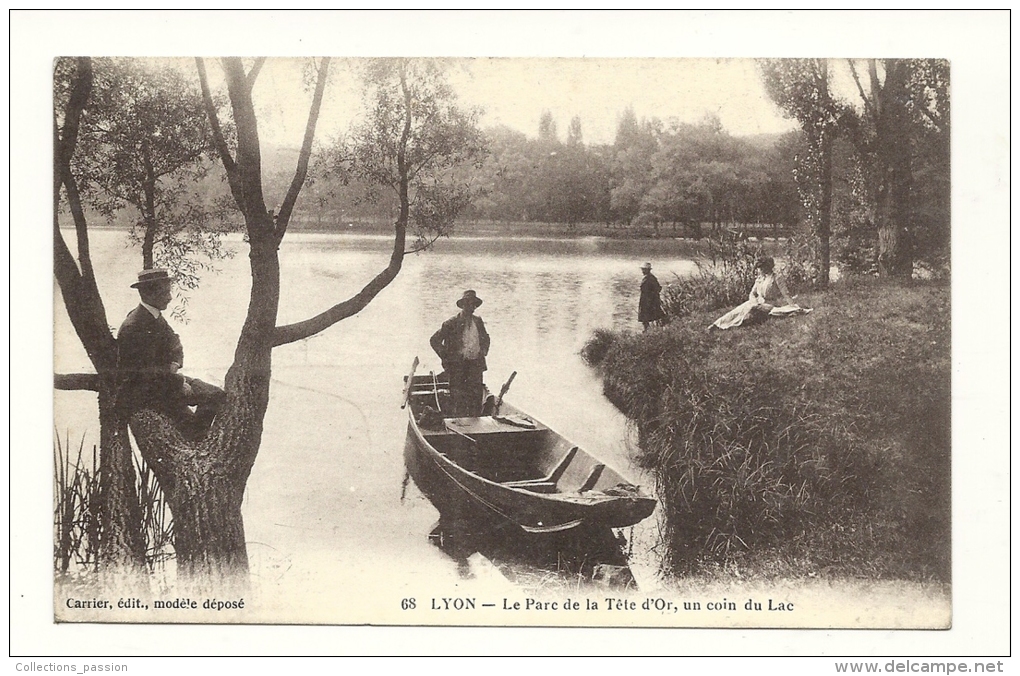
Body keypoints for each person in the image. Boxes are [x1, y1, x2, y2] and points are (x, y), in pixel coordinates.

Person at [116, 269, 225, 440]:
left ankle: (196, 436)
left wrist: (175, 365)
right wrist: (179, 382)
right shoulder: (134, 326)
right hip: (149, 391)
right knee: (211, 399)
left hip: (166, 379)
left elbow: (175, 343)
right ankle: (196, 438)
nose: (170, 297)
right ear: (147, 293)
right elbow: (141, 373)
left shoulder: (154, 316)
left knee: (215, 394)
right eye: (164, 292)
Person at [430, 290, 490, 417]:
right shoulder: (451, 323)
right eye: (468, 304)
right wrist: (447, 357)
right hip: (457, 367)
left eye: (474, 305)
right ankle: (457, 426)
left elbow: (486, 338)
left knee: (475, 398)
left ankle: (476, 427)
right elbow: (434, 340)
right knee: (458, 398)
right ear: (463, 305)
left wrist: (483, 351)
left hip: (475, 366)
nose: (471, 307)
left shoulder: (478, 321)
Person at [710, 256, 808, 330]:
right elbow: (752, 293)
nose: (759, 270)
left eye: (761, 267)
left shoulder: (777, 277)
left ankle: (730, 325)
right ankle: (717, 324)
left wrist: (793, 306)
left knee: (751, 310)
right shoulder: (760, 278)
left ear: (767, 267)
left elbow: (785, 293)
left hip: (769, 304)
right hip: (757, 302)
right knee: (739, 309)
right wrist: (753, 301)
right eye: (759, 268)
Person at [638, 262, 666, 331]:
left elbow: (658, 288)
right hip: (647, 300)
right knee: (650, 317)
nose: (642, 271)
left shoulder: (650, 278)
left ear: (648, 270)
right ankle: (650, 331)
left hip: (648, 301)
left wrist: (652, 297)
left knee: (646, 317)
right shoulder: (650, 278)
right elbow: (659, 288)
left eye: (644, 269)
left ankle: (648, 332)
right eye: (642, 269)